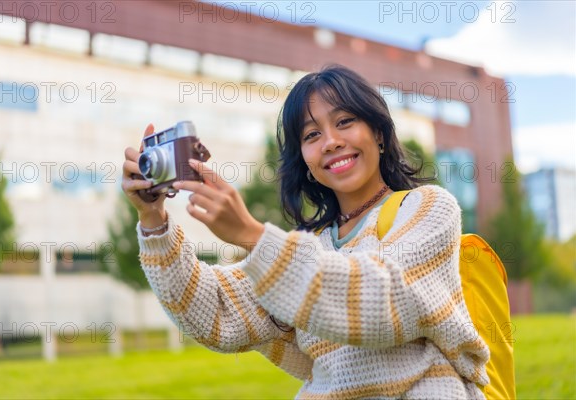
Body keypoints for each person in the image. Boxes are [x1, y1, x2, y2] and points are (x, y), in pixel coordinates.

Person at [121, 65, 490, 399]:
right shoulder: (310, 246)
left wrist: (251, 235)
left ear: (378, 132)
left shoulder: (428, 207)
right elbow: (215, 313)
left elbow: (386, 301)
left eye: (344, 122)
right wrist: (154, 221)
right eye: (312, 134)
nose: (330, 141)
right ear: (306, 162)